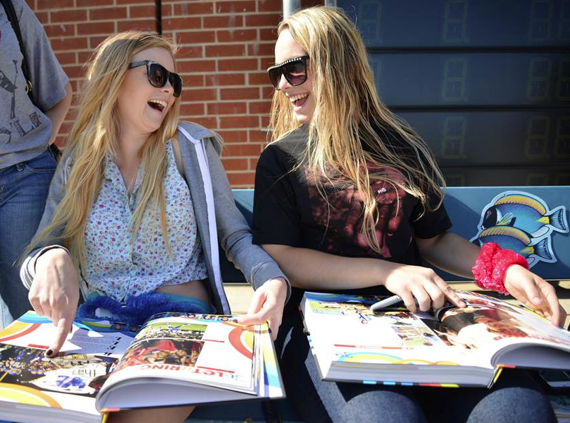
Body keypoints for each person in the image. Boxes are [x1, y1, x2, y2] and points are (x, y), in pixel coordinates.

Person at [249, 6, 564, 423]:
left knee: (519, 410)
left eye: (295, 69)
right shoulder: (281, 158)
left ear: (336, 63)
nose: (285, 86)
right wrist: (387, 272)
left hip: (422, 322)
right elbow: (282, 257)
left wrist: (504, 270)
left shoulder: (401, 145)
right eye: (278, 74)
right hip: (323, 332)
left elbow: (434, 240)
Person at [19, 31, 289, 423]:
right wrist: (50, 257)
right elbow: (39, 251)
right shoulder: (79, 162)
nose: (170, 90)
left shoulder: (189, 147)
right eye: (157, 75)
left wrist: (270, 278)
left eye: (174, 82)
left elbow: (234, 235)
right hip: (100, 324)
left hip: (179, 321)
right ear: (114, 77)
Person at [0, 0, 72, 327]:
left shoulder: (10, 9)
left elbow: (58, 93)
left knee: (34, 315)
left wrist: (41, 140)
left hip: (25, 177)